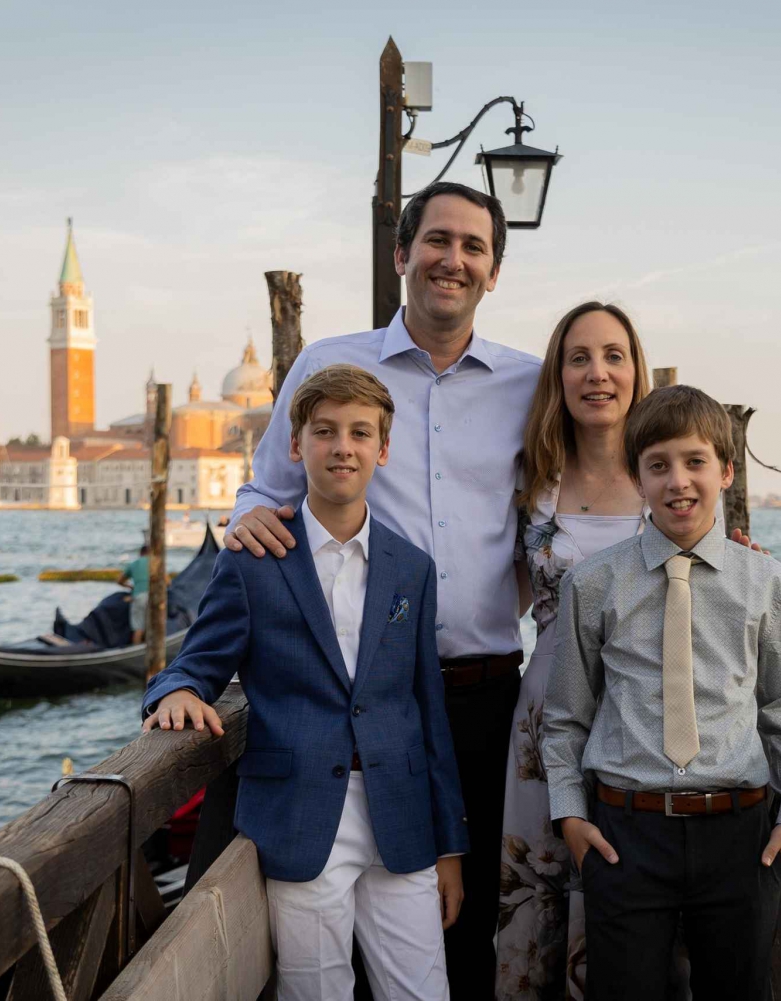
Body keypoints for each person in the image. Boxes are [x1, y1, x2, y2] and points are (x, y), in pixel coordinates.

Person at [219, 180, 542, 998]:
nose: (454, 259)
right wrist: (249, 523)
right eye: (438, 240)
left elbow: (587, 496)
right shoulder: (331, 365)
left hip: (481, 701)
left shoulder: (530, 385)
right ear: (402, 254)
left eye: (474, 246)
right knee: (337, 948)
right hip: (352, 705)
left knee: (465, 927)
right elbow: (266, 491)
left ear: (494, 271)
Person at [142, 364, 469, 1001]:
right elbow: (194, 664)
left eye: (360, 433)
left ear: (383, 449)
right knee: (316, 991)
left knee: (424, 991)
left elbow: (428, 709)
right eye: (325, 431)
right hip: (299, 816)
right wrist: (177, 693)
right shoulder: (252, 561)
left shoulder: (412, 568)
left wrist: (450, 843)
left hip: (402, 817)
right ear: (296, 445)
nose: (342, 446)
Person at [543, 385, 781, 1001]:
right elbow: (565, 716)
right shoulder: (592, 583)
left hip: (741, 836)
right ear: (636, 477)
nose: (678, 481)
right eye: (658, 465)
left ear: (726, 471)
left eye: (696, 461)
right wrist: (571, 816)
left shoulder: (767, 582)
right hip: (625, 835)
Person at [495, 302, 651, 1000]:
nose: (598, 373)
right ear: (558, 375)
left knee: (632, 906)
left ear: (636, 370)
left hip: (642, 730)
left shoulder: (665, 480)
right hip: (544, 724)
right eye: (579, 358)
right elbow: (489, 594)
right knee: (540, 902)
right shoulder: (533, 484)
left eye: (614, 356)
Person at [118, 543, 150, 645]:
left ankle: (137, 649)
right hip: (155, 597)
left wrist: (131, 587)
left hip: (139, 596)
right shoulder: (155, 563)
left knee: (138, 627)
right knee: (152, 626)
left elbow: (120, 581)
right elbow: (168, 582)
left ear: (140, 553)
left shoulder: (134, 564)